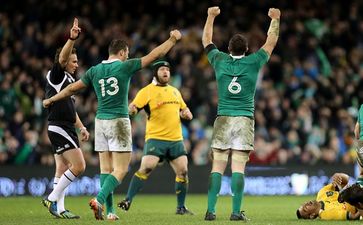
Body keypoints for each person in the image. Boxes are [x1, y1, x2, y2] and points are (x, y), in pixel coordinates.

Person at [43, 30, 182, 220]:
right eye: (128, 53)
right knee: (121, 170)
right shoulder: (126, 66)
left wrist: (52, 99)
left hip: (100, 122)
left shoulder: (94, 70)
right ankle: (98, 200)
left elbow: (71, 89)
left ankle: (109, 212)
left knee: (105, 170)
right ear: (123, 53)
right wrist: (172, 40)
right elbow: (155, 55)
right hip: (118, 121)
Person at [202, 6, 280, 221]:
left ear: (228, 49)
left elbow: (207, 39)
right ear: (246, 49)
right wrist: (275, 19)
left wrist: (210, 16)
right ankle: (236, 212)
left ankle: (210, 210)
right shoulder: (254, 62)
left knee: (217, 165)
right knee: (238, 167)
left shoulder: (219, 59)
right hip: (244, 119)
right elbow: (271, 42)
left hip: (223, 117)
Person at [117, 60, 193, 215]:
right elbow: (134, 108)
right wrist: (131, 109)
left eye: (167, 70)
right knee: (146, 168)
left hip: (176, 140)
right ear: (156, 73)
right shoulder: (147, 91)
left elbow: (186, 111)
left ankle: (181, 207)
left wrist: (187, 114)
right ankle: (128, 200)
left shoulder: (175, 91)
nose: (165, 72)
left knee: (183, 172)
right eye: (162, 70)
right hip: (155, 139)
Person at [42, 18, 89, 219]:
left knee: (61, 168)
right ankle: (52, 198)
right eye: (74, 61)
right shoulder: (57, 75)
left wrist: (82, 127)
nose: (76, 64)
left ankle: (59, 209)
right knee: (79, 166)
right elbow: (61, 59)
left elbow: (71, 110)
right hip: (59, 127)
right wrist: (71, 39)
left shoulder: (69, 80)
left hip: (63, 126)